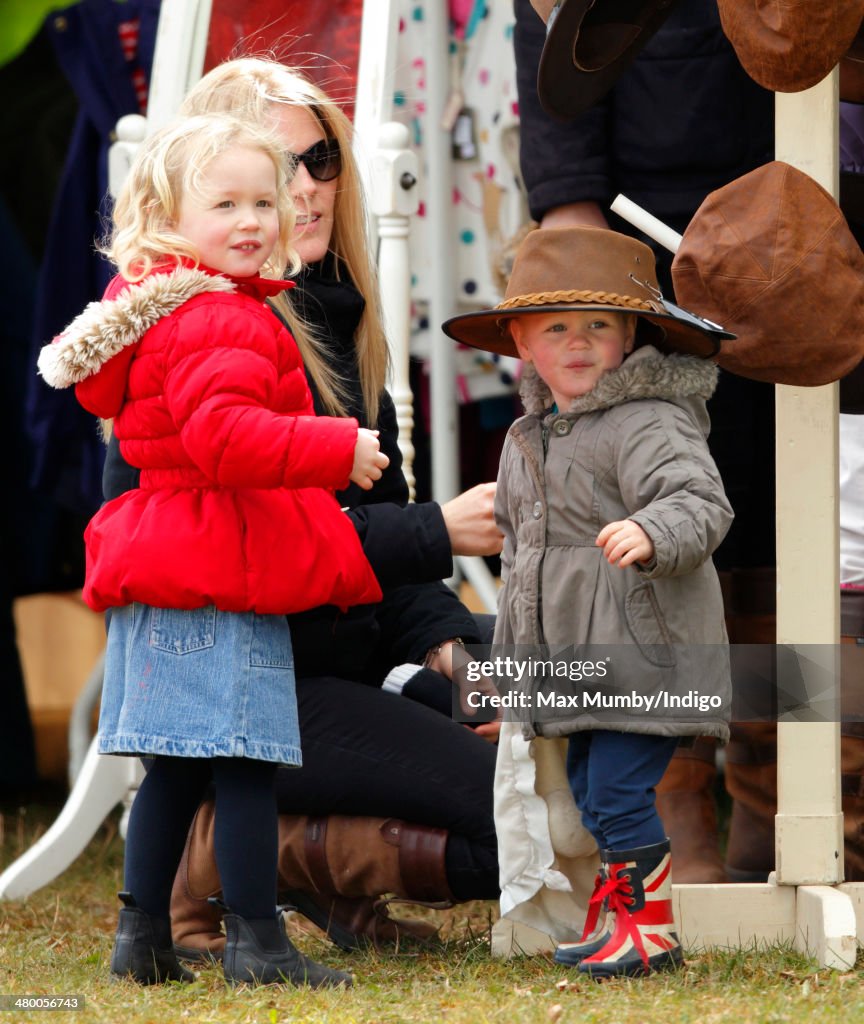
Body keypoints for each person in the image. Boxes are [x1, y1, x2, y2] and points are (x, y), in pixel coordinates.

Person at [98, 57, 504, 959]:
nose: (305, 188)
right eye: (274, 172)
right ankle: (223, 856)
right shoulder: (199, 330)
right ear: (195, 196)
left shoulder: (332, 321)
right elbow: (220, 543)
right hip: (257, 674)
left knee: (571, 707)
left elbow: (398, 565)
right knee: (514, 814)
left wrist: (466, 657)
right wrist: (437, 528)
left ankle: (762, 768)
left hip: (348, 663)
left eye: (322, 161)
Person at [37, 113, 391, 988]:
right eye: (224, 202)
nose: (251, 221)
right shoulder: (220, 318)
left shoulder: (169, 309)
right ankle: (258, 944)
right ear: (166, 213)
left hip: (168, 564)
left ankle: (143, 937)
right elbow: (227, 439)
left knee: (173, 767)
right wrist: (333, 446)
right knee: (244, 767)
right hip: (215, 572)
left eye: (264, 202)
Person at [513, 0, 776, 885]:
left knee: (790, 534)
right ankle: (674, 812)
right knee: (640, 523)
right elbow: (566, 174)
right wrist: (605, 322)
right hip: (640, 290)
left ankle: (778, 813)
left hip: (800, 263)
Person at [444, 225, 733, 977]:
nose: (578, 343)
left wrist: (650, 527)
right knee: (587, 794)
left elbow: (699, 500)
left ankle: (651, 931)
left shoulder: (649, 419)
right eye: (557, 327)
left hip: (650, 655)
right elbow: (523, 573)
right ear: (519, 339)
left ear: (630, 333)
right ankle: (617, 915)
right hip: (574, 667)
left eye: (599, 325)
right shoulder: (524, 439)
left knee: (617, 791)